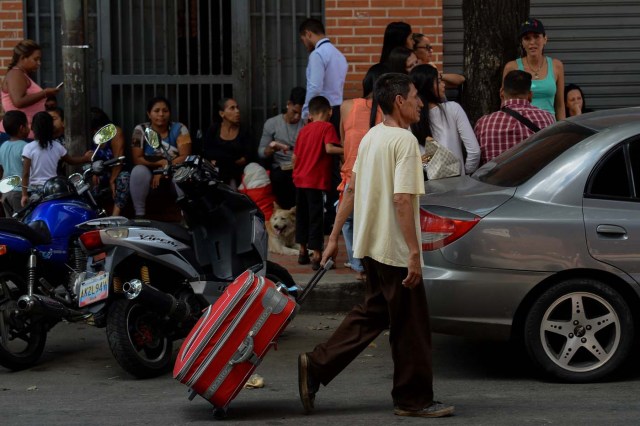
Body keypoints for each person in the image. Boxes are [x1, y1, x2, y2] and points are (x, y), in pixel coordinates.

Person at [300, 73, 454, 418]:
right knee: (412, 328)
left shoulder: (370, 138)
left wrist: (334, 237)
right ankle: (413, 400)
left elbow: (350, 188)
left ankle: (316, 365)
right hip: (395, 250)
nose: (420, 103)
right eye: (415, 97)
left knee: (373, 314)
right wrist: (414, 254)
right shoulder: (404, 142)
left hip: (371, 248)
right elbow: (402, 200)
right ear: (399, 101)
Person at [338, 63, 386, 281]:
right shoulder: (387, 112)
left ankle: (359, 265)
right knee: (373, 220)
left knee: (349, 220)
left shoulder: (348, 106)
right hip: (378, 175)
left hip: (351, 173)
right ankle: (371, 264)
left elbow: (342, 140)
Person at [299, 18, 347, 233]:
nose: (304, 43)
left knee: (316, 162)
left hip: (320, 111)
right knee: (333, 164)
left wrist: (306, 112)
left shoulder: (318, 55)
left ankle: (324, 218)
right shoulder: (338, 54)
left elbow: (315, 86)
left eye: (303, 39)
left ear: (309, 33)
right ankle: (336, 212)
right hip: (335, 111)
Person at [292, 96, 343, 270]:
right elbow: (329, 148)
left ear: (311, 114)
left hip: (300, 180)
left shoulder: (303, 130)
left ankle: (302, 250)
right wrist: (348, 148)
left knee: (302, 215)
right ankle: (317, 255)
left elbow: (294, 157)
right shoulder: (328, 127)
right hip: (316, 180)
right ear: (329, 111)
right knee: (316, 217)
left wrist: (297, 173)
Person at [410, 64, 480, 175]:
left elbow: (421, 160)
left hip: (432, 186)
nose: (443, 85)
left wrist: (437, 169)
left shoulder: (412, 119)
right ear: (427, 86)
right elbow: (474, 151)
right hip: (459, 184)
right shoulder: (453, 109)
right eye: (438, 81)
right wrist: (465, 172)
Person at [474, 70, 555, 164]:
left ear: (501, 92)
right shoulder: (548, 119)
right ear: (530, 95)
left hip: (497, 178)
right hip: (537, 178)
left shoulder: (483, 124)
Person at [129, 96, 192, 218]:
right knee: (138, 171)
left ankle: (186, 216)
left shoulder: (180, 129)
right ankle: (139, 215)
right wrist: (160, 163)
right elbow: (137, 158)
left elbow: (185, 156)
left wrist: (164, 169)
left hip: (174, 170)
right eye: (156, 111)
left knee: (182, 173)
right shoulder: (140, 130)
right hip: (150, 171)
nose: (161, 114)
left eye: (165, 111)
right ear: (149, 114)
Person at [21, 111, 92, 206]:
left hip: (35, 191)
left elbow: (25, 174)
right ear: (51, 128)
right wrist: (86, 158)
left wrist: (24, 195)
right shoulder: (57, 146)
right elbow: (71, 161)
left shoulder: (29, 148)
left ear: (32, 128)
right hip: (54, 189)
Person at [503, 18, 565, 120]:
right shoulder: (512, 67)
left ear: (545, 39)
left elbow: (560, 105)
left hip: (549, 127)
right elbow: (505, 103)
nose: (532, 42)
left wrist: (562, 131)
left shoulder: (556, 66)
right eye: (527, 38)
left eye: (536, 37)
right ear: (522, 43)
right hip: (522, 126)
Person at [0, 40, 60, 139]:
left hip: (26, 133)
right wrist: (44, 93)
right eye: (35, 59)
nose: (39, 63)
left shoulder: (22, 75)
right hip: (18, 136)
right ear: (23, 58)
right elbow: (18, 101)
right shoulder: (16, 74)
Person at [258, 86, 306, 209]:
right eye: (294, 112)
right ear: (288, 105)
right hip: (280, 168)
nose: (297, 117)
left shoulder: (305, 124)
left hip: (300, 167)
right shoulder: (272, 123)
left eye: (300, 114)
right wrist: (272, 149)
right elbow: (261, 152)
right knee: (280, 178)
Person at [199, 98, 254, 187]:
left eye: (237, 108)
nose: (237, 111)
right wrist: (232, 157)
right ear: (222, 113)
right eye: (232, 108)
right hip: (217, 172)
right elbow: (207, 152)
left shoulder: (245, 130)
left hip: (239, 173)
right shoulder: (214, 129)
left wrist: (220, 159)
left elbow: (247, 156)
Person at [90, 107, 131, 216]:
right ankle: (95, 214)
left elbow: (119, 159)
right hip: (99, 170)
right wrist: (94, 172)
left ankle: (115, 215)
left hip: (117, 169)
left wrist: (112, 180)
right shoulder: (89, 135)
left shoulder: (115, 132)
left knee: (123, 178)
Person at [0, 110, 29, 216]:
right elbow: (28, 171)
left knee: (12, 224)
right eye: (27, 124)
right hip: (20, 193)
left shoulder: (3, 146)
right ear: (22, 128)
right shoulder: (25, 147)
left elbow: (1, 170)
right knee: (24, 222)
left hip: (6, 192)